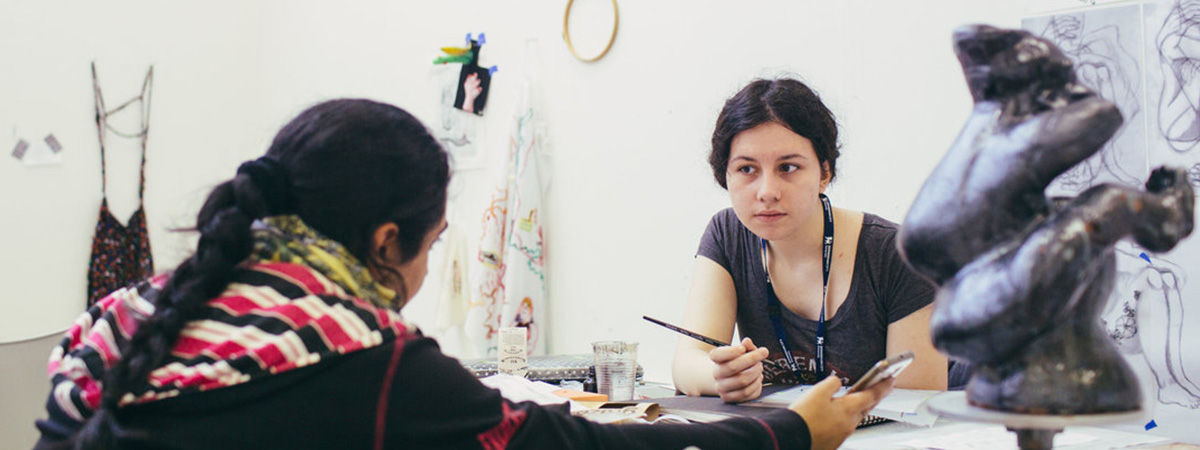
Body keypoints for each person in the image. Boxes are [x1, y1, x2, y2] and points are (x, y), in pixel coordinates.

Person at [33, 98, 892, 450]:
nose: (766, 189)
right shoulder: (365, 362)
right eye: (434, 242)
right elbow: (581, 447)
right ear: (387, 242)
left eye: (789, 167)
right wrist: (790, 432)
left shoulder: (123, 319)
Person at [672, 78, 947, 403]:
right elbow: (688, 363)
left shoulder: (899, 254)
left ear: (824, 173)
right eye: (746, 169)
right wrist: (722, 377)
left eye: (788, 167)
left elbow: (919, 404)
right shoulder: (727, 234)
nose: (767, 192)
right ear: (725, 175)